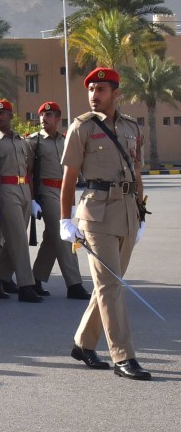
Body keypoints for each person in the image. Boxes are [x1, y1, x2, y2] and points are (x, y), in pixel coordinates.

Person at [61, 67, 150, 380]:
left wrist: (140, 214)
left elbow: (136, 172)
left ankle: (83, 344)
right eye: (91, 90)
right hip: (96, 215)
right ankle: (123, 356)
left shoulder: (131, 127)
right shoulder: (81, 128)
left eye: (101, 90)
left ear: (116, 94)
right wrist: (65, 220)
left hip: (127, 213)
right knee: (112, 285)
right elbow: (69, 179)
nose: (94, 96)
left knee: (107, 286)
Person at [29, 102, 90, 299]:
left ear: (57, 119)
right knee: (64, 237)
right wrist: (31, 199)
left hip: (65, 192)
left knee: (52, 238)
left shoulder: (66, 141)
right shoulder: (34, 142)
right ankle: (74, 285)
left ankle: (35, 278)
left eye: (49, 116)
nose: (44, 119)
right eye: (42, 116)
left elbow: (74, 173)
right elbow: (28, 172)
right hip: (45, 192)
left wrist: (73, 204)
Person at [0, 99, 42, 303]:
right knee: (18, 238)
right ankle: (27, 285)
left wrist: (32, 198)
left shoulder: (21, 141)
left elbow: (29, 171)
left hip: (24, 189)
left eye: (2, 114)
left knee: (15, 240)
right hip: (5, 190)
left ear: (10, 116)